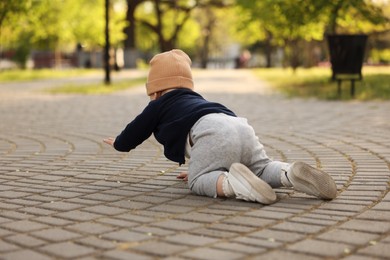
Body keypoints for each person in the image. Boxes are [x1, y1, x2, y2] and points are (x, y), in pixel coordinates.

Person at [103, 49, 337, 204]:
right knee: (262, 167)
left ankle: (236, 184)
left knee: (197, 181)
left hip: (211, 133)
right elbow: (224, 142)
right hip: (239, 125)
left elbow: (137, 129)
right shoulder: (197, 100)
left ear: (154, 90)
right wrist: (201, 162)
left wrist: (119, 143)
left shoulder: (159, 104)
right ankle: (288, 173)